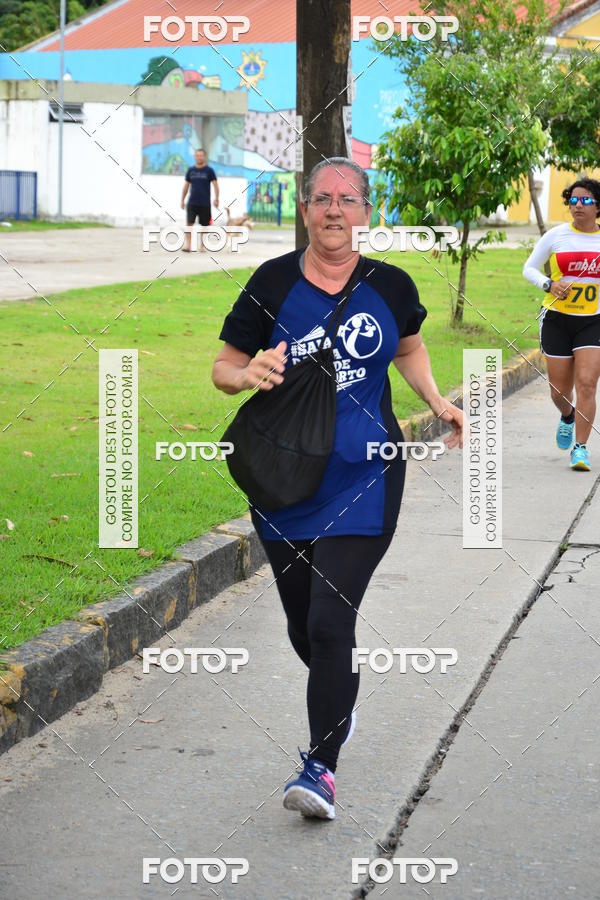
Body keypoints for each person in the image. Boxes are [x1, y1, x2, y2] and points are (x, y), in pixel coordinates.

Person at [212, 157, 463, 821]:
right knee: (305, 626)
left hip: (366, 472)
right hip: (284, 478)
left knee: (329, 621)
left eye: (347, 200)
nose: (333, 211)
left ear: (366, 211)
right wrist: (248, 374)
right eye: (321, 199)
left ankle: (320, 768)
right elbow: (223, 366)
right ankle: (339, 697)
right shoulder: (271, 283)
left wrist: (437, 401)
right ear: (304, 210)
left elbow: (407, 347)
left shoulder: (391, 285)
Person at [523, 177, 600, 471]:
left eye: (586, 201)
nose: (577, 205)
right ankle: (567, 415)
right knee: (559, 390)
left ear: (598, 206)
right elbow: (528, 268)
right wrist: (550, 284)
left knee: (588, 384)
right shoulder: (556, 236)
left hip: (593, 321)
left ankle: (580, 449)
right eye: (573, 200)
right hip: (556, 320)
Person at [181, 148, 219, 252]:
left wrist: (216, 199)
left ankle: (202, 246)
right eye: (197, 155)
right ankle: (188, 246)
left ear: (204, 157)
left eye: (201, 155)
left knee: (205, 226)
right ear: (194, 157)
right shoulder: (191, 170)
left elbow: (215, 185)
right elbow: (186, 186)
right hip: (192, 202)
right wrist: (182, 200)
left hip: (205, 203)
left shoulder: (209, 171)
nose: (199, 157)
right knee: (189, 224)